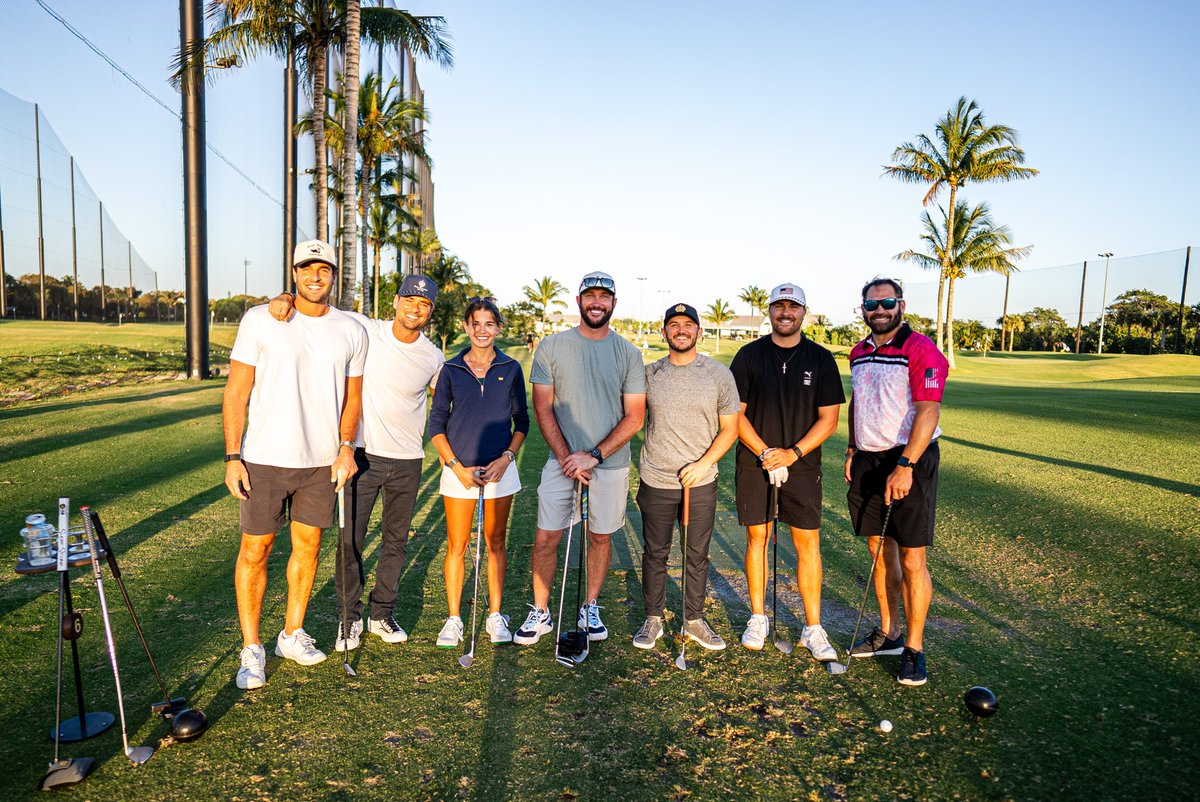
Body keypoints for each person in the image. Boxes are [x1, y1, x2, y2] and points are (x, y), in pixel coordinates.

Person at [267, 274, 444, 651]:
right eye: (410, 300)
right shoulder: (365, 329)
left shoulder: (433, 357)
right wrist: (285, 295)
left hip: (409, 460)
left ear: (430, 312)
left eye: (424, 304)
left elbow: (446, 404)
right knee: (350, 541)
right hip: (362, 456)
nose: (416, 308)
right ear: (395, 302)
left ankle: (382, 614)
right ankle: (349, 620)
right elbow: (319, 307)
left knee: (395, 542)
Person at [223, 239, 366, 690]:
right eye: (307, 268)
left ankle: (291, 634)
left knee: (308, 551)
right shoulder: (261, 318)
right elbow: (236, 392)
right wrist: (232, 456)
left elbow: (353, 397)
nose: (315, 276)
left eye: (323, 269)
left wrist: (346, 447)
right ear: (294, 273)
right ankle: (252, 649)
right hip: (263, 459)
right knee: (256, 551)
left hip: (320, 464)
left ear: (333, 276)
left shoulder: (352, 329)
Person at [513, 271, 646, 646]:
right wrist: (569, 458)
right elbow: (542, 408)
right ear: (579, 301)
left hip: (610, 464)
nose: (597, 302)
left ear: (614, 304)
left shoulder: (629, 353)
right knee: (545, 539)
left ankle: (590, 605)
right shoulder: (552, 346)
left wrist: (595, 456)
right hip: (562, 462)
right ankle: (540, 612)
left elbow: (635, 416)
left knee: (600, 538)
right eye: (591, 296)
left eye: (604, 296)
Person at [729, 282, 844, 660]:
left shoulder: (821, 358)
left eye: (792, 307)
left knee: (807, 543)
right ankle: (758, 617)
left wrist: (792, 454)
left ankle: (813, 627)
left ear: (803, 313)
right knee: (757, 539)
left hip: (802, 463)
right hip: (754, 461)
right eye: (779, 306)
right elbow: (736, 415)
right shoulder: (748, 356)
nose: (785, 313)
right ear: (770, 311)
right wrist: (765, 453)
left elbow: (829, 419)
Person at [845, 277, 947, 686]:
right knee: (878, 548)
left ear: (901, 305)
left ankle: (914, 649)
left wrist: (905, 465)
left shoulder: (921, 348)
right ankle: (889, 633)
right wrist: (853, 448)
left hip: (909, 459)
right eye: (872, 304)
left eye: (887, 302)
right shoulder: (858, 351)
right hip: (868, 460)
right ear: (864, 309)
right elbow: (859, 401)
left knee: (911, 557)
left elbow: (928, 411)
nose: (880, 309)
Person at [633, 303, 740, 652]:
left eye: (688, 325)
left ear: (699, 332)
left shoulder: (719, 375)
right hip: (656, 478)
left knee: (696, 554)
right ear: (664, 332)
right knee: (655, 552)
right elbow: (631, 418)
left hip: (701, 480)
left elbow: (730, 429)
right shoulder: (649, 374)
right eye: (674, 325)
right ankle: (653, 618)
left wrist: (703, 464)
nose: (681, 330)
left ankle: (693, 619)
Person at [428, 297, 529, 647]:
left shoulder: (511, 368)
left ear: (498, 327)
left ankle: (495, 614)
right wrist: (456, 467)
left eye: (489, 323)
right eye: (476, 323)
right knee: (457, 545)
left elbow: (522, 422)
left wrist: (506, 458)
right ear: (466, 327)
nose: (482, 330)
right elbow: (437, 424)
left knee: (496, 541)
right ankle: (454, 619)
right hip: (459, 471)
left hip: (501, 469)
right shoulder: (452, 370)